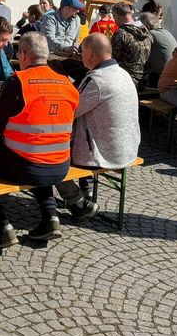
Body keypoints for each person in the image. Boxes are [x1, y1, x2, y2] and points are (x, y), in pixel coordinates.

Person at [0, 33, 79, 245]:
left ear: (23, 55)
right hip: (60, 164)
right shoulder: (66, 83)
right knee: (34, 156)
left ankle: (2, 225)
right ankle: (50, 218)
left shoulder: (18, 82)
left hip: (25, 164)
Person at [56, 33, 141, 217]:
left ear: (90, 53)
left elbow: (70, 111)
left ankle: (77, 201)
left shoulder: (96, 79)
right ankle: (86, 191)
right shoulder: (123, 73)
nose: (79, 55)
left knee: (45, 156)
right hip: (128, 147)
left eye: (81, 51)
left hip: (104, 153)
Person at [110, 2, 153, 91]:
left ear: (117, 16)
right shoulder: (146, 31)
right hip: (145, 80)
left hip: (126, 81)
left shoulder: (120, 33)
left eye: (114, 17)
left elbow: (111, 60)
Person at [141, 11, 177, 86]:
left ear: (147, 26)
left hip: (163, 75)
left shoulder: (150, 34)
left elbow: (141, 54)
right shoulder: (166, 32)